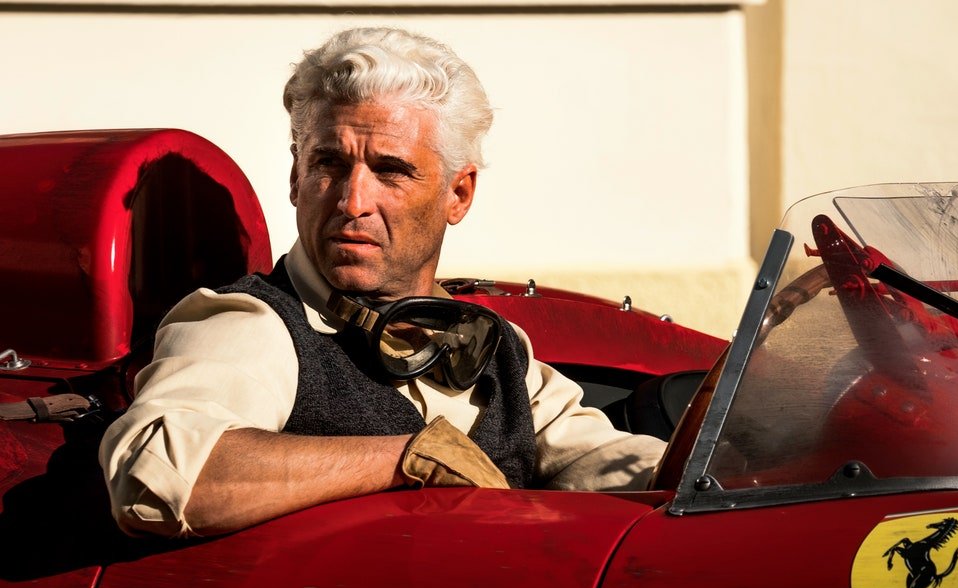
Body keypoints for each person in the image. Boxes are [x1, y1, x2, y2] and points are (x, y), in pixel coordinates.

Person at [99, 27, 666, 538]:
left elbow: (616, 464)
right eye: (328, 164)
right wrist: (403, 458)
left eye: (391, 171)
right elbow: (154, 475)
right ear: (296, 177)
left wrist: (711, 449)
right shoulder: (251, 324)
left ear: (458, 194)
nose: (352, 202)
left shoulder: (497, 347)